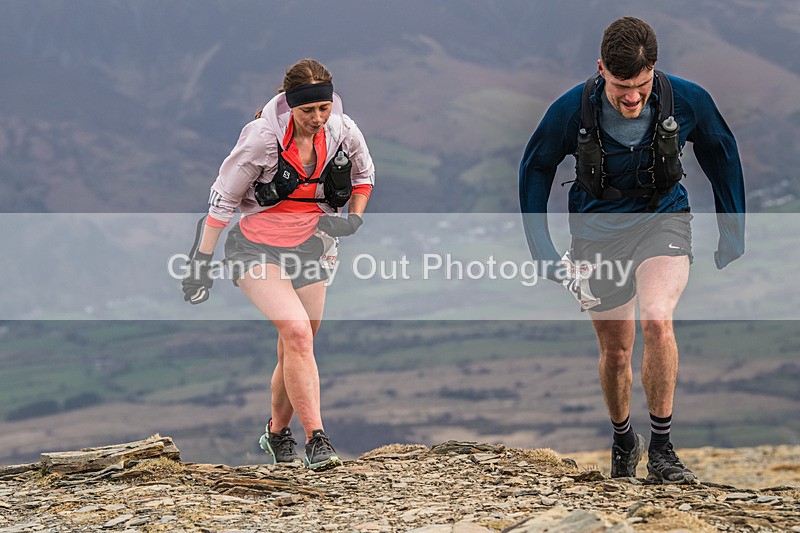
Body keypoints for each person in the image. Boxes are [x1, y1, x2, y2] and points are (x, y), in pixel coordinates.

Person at [519, 17, 745, 483]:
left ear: (654, 71)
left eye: (641, 86)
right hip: (596, 233)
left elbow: (721, 150)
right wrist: (541, 248)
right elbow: (535, 167)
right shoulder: (570, 109)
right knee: (617, 351)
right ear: (602, 69)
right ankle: (624, 437)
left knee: (657, 319)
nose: (632, 97)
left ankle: (662, 451)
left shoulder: (686, 99)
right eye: (622, 86)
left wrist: (732, 226)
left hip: (663, 218)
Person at [181, 58, 375, 471]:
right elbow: (221, 203)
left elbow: (364, 176)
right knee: (296, 332)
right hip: (253, 248)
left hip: (311, 246)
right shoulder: (261, 140)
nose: (318, 118)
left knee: (298, 343)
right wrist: (200, 263)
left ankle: (276, 433)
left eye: (324, 108)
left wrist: (353, 218)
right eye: (308, 111)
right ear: (290, 105)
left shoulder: (343, 130)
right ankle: (317, 440)